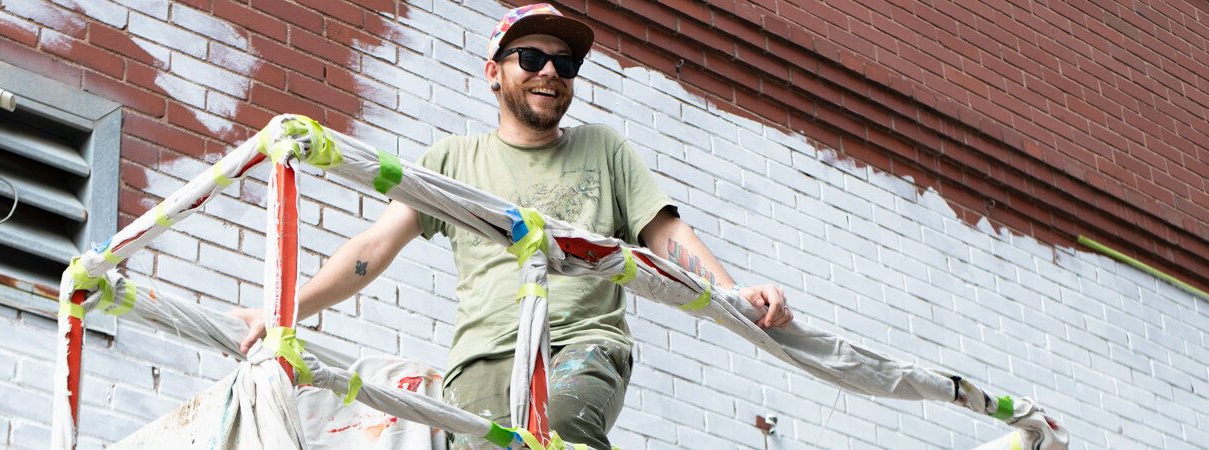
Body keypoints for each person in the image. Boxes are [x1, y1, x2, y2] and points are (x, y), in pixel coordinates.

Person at [231, 4, 792, 448]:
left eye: (565, 63)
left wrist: (734, 295)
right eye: (530, 58)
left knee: (559, 433)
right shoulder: (453, 159)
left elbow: (667, 237)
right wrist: (283, 311)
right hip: (479, 365)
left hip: (580, 346)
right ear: (494, 73)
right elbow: (373, 247)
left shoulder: (605, 149)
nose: (550, 71)